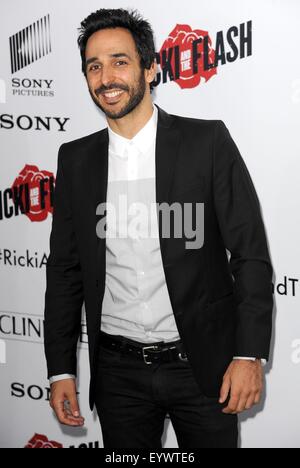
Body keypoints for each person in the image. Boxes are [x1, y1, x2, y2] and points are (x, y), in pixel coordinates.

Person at [44, 8, 273, 448]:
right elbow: (65, 271)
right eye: (94, 66)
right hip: (118, 375)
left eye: (119, 61)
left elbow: (250, 255)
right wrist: (61, 370)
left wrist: (248, 354)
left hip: (203, 367)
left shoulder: (206, 143)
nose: (106, 76)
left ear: (150, 68)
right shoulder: (75, 160)